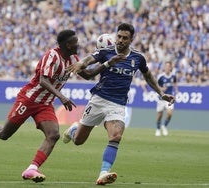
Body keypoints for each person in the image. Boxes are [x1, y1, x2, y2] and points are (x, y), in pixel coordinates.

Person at [0, 29, 118, 183]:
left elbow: (88, 75)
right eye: (75, 42)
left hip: (45, 104)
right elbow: (43, 80)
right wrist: (61, 96)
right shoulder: (52, 55)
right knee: (4, 134)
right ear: (68, 44)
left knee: (54, 135)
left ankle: (32, 168)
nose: (78, 44)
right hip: (28, 99)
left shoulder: (73, 59)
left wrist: (107, 63)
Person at [62, 23, 175, 185]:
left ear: (131, 40)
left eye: (125, 38)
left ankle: (103, 173)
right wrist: (81, 64)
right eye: (119, 37)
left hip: (118, 104)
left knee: (116, 136)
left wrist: (161, 93)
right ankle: (74, 130)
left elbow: (148, 76)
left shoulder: (138, 58)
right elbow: (89, 60)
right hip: (98, 100)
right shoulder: (106, 52)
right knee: (79, 140)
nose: (120, 40)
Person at [155, 61, 178, 136]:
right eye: (166, 66)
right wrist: (161, 89)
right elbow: (156, 86)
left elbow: (175, 83)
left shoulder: (173, 76)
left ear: (171, 67)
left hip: (169, 99)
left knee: (170, 113)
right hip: (161, 98)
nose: (167, 68)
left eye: (169, 66)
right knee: (159, 115)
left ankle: (164, 126)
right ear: (164, 67)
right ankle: (158, 129)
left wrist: (176, 90)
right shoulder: (161, 77)